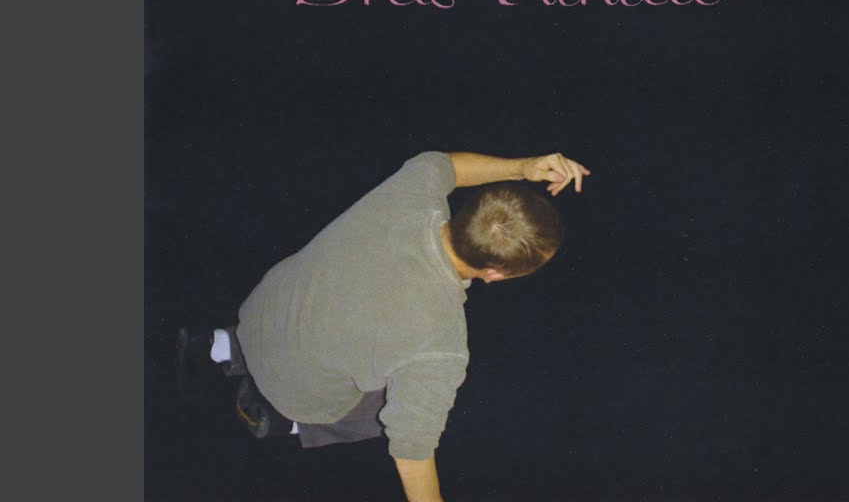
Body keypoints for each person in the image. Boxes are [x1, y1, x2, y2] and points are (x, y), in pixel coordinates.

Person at [180, 150, 590, 502]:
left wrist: (523, 167)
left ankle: (223, 345)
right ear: (495, 274)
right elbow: (411, 451)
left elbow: (447, 165)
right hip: (292, 389)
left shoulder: (412, 192)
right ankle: (284, 421)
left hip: (261, 310)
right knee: (404, 403)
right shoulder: (442, 346)